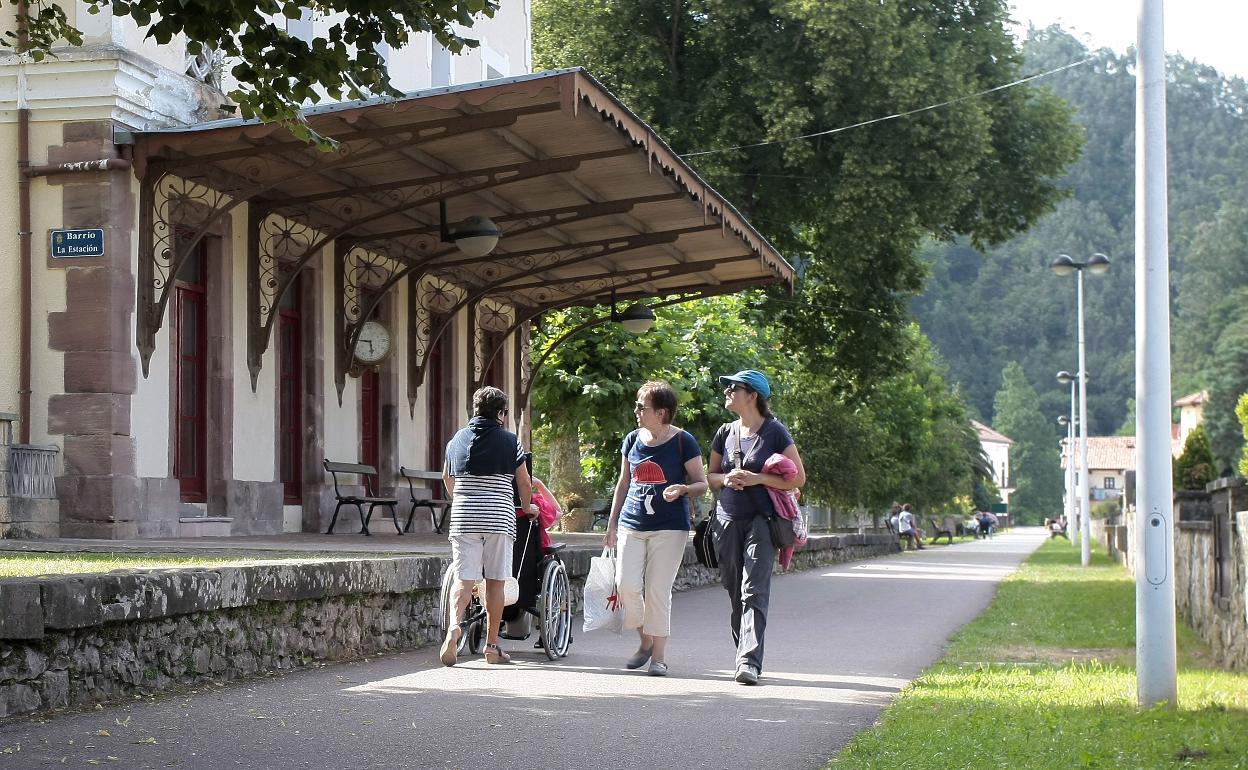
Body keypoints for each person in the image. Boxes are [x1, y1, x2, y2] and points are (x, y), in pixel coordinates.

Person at [708, 369, 806, 686]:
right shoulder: (724, 432)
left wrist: (758, 478)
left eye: (732, 388)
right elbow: (709, 476)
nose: (726, 392)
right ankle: (744, 653)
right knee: (735, 590)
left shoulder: (775, 432)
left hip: (762, 521)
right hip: (726, 520)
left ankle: (749, 662)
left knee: (754, 589)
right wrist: (725, 479)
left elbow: (798, 478)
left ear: (752, 395)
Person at [605, 381, 707, 677]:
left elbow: (701, 483)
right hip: (631, 525)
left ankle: (658, 657)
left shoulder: (683, 441)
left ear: (661, 412)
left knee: (658, 592)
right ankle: (646, 639)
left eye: (642, 407)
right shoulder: (632, 439)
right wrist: (612, 524)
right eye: (637, 405)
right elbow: (624, 483)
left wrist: (683, 488)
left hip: (670, 528)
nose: (636, 411)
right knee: (627, 586)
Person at [440, 386, 531, 667]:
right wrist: (527, 507)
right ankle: (492, 647)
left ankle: (455, 626)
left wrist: (462, 500)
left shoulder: (456, 440)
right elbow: (524, 483)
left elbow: (446, 477)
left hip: (464, 516)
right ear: (501, 413)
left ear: (476, 409)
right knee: (495, 581)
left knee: (464, 580)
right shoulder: (510, 441)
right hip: (498, 518)